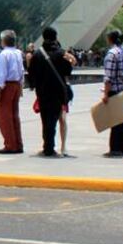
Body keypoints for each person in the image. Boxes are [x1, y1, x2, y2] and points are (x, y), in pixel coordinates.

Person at [27, 27, 73, 158]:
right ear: (55, 37)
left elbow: (31, 74)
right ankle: (49, 148)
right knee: (53, 120)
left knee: (45, 120)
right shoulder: (61, 53)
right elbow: (68, 71)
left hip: (42, 92)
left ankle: (47, 146)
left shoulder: (37, 54)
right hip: (57, 93)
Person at [0, 30, 24, 154]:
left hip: (7, 85)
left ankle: (10, 144)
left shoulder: (4, 54)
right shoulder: (18, 53)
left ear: (3, 41)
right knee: (14, 115)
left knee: (4, 116)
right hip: (16, 84)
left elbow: (2, 74)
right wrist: (21, 86)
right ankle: (18, 143)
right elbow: (21, 70)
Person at [101, 30, 123, 157]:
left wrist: (105, 94)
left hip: (114, 90)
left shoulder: (112, 53)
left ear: (110, 39)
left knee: (114, 121)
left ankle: (115, 148)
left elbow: (109, 77)